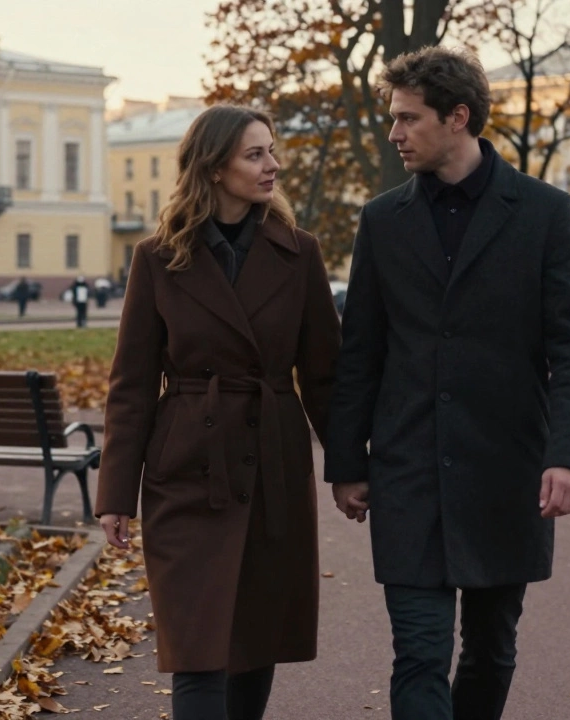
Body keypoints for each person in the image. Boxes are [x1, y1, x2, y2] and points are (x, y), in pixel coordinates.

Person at [324, 47, 570, 720]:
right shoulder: (382, 219)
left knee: (490, 652)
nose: (394, 133)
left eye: (408, 118)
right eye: (393, 118)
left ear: (457, 117)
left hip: (505, 471)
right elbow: (361, 351)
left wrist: (569, 458)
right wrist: (346, 463)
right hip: (408, 469)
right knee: (419, 653)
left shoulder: (544, 212)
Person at [96, 105, 340, 720]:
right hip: (186, 467)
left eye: (272, 150)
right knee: (197, 648)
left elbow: (324, 376)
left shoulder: (299, 253)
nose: (272, 165)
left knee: (256, 639)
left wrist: (349, 469)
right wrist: (115, 493)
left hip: (270, 465)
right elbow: (131, 383)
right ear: (212, 168)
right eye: (255, 154)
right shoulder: (158, 257)